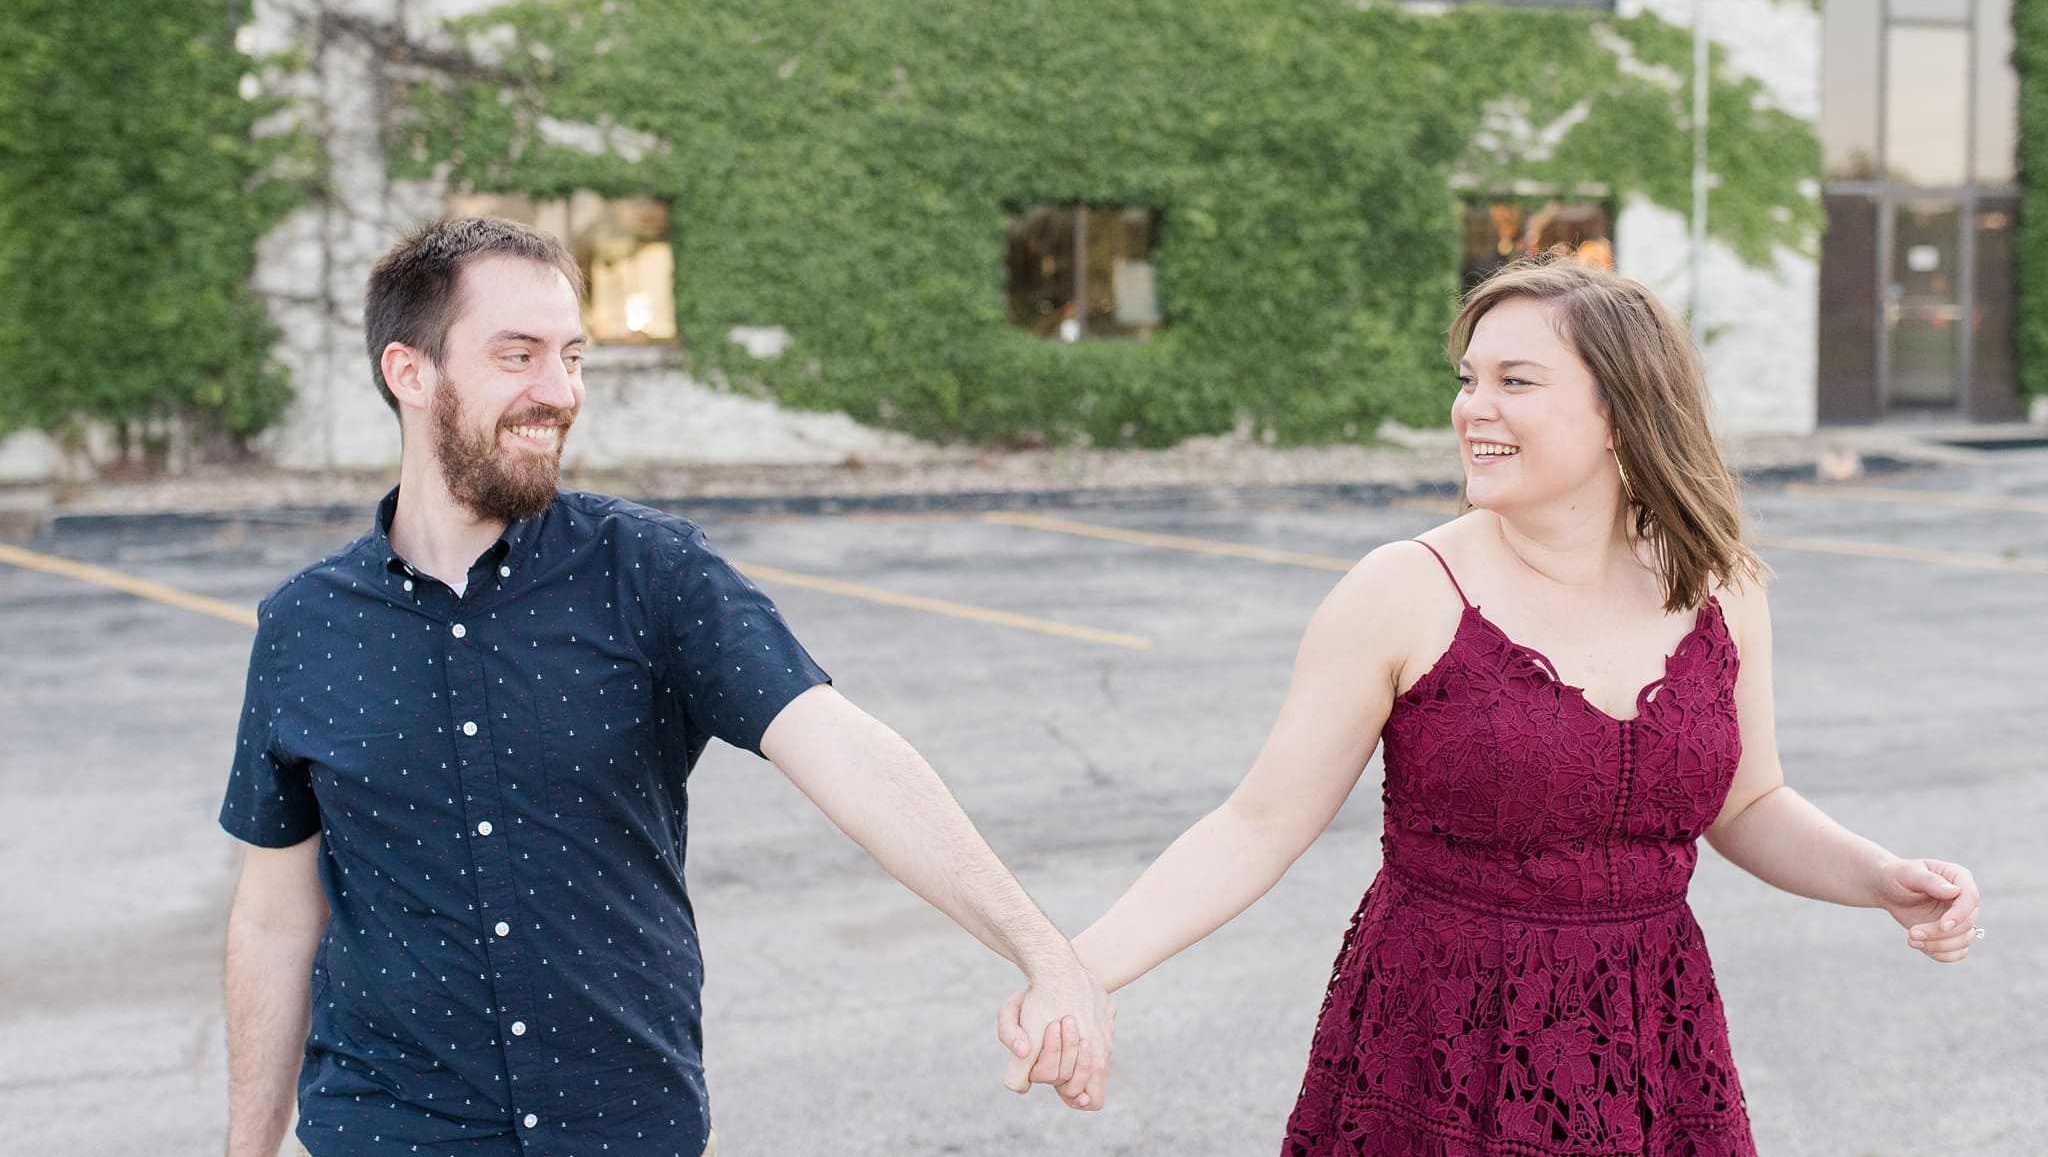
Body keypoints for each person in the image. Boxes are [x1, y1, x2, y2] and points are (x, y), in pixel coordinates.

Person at [999, 256, 1982, 1153]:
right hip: (1436, 1047)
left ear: (1621, 412)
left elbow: (1749, 802)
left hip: (1652, 1041)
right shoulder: (1401, 588)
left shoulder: (1720, 586)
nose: (1474, 407)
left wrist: (1879, 875)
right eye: (1467, 379)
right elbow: (1254, 825)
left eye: (1515, 381)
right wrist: (1076, 967)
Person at [219, 217, 1111, 1157]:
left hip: (627, 1130)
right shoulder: (304, 626)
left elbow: (845, 750)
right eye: (517, 355)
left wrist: (1044, 953)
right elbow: (276, 916)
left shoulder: (650, 571)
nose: (557, 393)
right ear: (409, 372)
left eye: (572, 357)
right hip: (385, 1134)